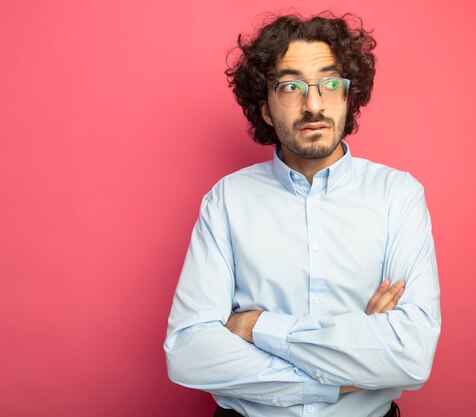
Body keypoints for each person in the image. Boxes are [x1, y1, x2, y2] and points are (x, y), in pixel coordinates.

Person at [164, 12, 441, 417]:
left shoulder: (398, 197)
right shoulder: (226, 201)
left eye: (330, 84)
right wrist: (351, 360)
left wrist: (257, 326)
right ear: (265, 108)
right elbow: (189, 352)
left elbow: (412, 355)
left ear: (349, 95)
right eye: (291, 86)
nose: (313, 104)